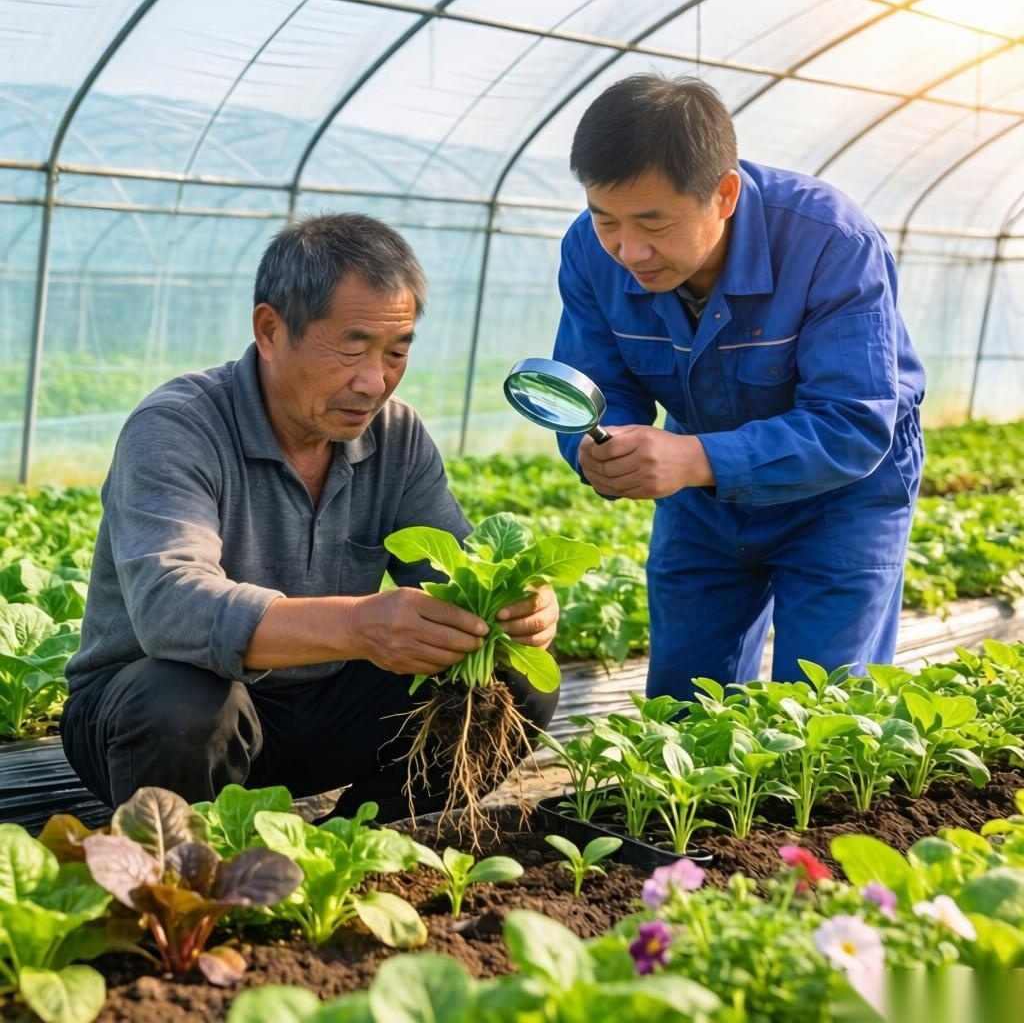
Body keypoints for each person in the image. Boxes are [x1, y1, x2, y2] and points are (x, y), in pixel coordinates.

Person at [61, 213, 559, 820]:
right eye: (352, 347)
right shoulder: (177, 427)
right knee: (182, 701)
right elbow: (171, 606)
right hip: (156, 720)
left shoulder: (396, 436)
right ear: (270, 330)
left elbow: (450, 574)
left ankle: (361, 846)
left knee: (518, 680)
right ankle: (188, 872)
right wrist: (360, 626)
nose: (374, 382)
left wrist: (508, 607)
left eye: (396, 351)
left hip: (322, 710)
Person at [551, 75, 925, 701]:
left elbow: (853, 424)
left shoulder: (830, 241)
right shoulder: (590, 252)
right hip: (702, 491)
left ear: (723, 195)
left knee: (822, 709)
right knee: (684, 707)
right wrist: (597, 446)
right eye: (605, 218)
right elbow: (597, 381)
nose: (629, 249)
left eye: (653, 222)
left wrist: (695, 457)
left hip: (844, 493)